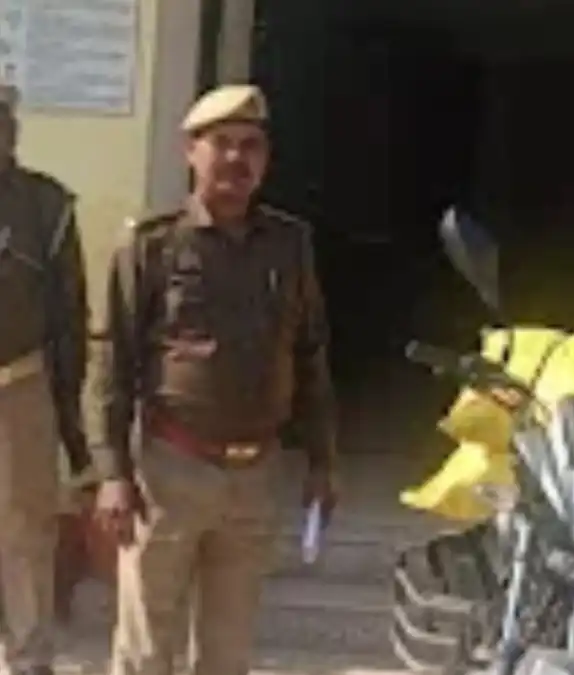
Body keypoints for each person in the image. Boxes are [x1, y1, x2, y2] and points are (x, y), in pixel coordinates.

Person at [86, 84, 339, 675]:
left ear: (266, 159)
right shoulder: (151, 244)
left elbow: (311, 356)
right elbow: (112, 362)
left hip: (255, 473)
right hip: (170, 470)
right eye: (221, 143)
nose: (236, 158)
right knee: (146, 648)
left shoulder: (289, 244)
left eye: (250, 146)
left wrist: (323, 461)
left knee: (228, 652)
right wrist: (111, 474)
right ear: (190, 152)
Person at [0, 84, 89, 675]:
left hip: (18, 384)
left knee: (25, 531)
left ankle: (29, 657)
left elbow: (68, 315)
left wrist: (69, 418)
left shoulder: (44, 204)